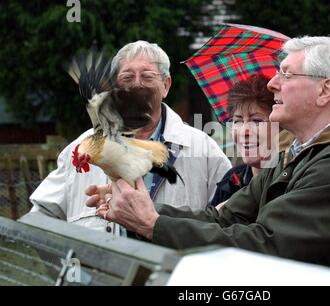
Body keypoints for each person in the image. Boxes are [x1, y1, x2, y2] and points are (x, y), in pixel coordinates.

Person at [87, 36, 330, 281]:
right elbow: (224, 219)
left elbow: (264, 245)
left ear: (325, 90)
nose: (273, 83)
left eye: (287, 74)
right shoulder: (295, 157)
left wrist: (152, 225)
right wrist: (140, 208)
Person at [28, 41, 231, 235]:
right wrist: (68, 265)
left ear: (166, 85)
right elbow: (38, 221)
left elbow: (232, 218)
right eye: (127, 77)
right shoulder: (81, 150)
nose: (137, 84)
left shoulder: (203, 150)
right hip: (104, 271)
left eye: (147, 76)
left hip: (173, 269)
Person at [209, 74, 294, 207]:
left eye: (256, 121)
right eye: (237, 121)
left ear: (282, 126)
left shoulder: (292, 183)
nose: (244, 132)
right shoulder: (231, 180)